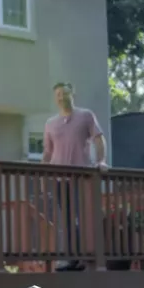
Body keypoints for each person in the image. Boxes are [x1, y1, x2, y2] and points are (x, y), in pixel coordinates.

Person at [42, 82, 108, 271]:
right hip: (58, 179)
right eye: (58, 94)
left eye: (65, 93)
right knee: (67, 219)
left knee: (82, 217)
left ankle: (83, 257)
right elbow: (47, 153)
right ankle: (72, 258)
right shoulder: (50, 123)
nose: (61, 97)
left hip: (82, 177)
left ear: (73, 94)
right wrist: (41, 174)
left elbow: (98, 139)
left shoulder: (85, 116)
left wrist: (101, 161)